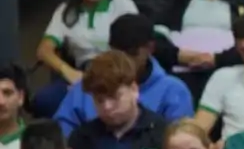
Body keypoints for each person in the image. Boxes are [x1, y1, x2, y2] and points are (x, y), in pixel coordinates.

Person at [34, 0, 138, 119]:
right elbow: (44, 51)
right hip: (82, 73)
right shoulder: (66, 11)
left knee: (95, 107)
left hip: (117, 73)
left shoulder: (122, 6)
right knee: (43, 101)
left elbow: (137, 45)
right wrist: (69, 72)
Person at [54, 15, 195, 136]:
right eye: (118, 53)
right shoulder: (89, 85)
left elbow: (181, 143)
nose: (125, 60)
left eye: (132, 53)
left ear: (150, 48)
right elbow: (61, 135)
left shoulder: (174, 91)